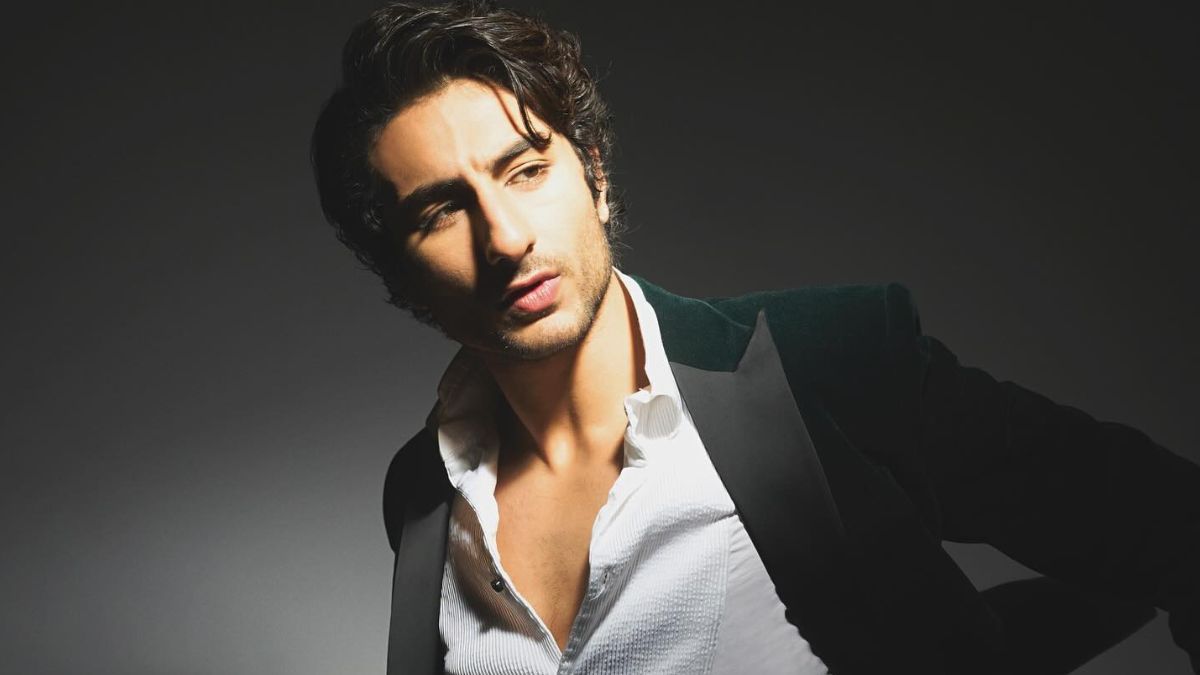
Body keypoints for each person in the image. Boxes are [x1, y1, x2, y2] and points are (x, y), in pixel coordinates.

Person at [310, 2, 1200, 673]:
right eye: (441, 211)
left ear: (597, 179)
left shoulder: (822, 361)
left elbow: (1169, 526)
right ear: (400, 275)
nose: (504, 237)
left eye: (528, 169)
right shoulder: (426, 494)